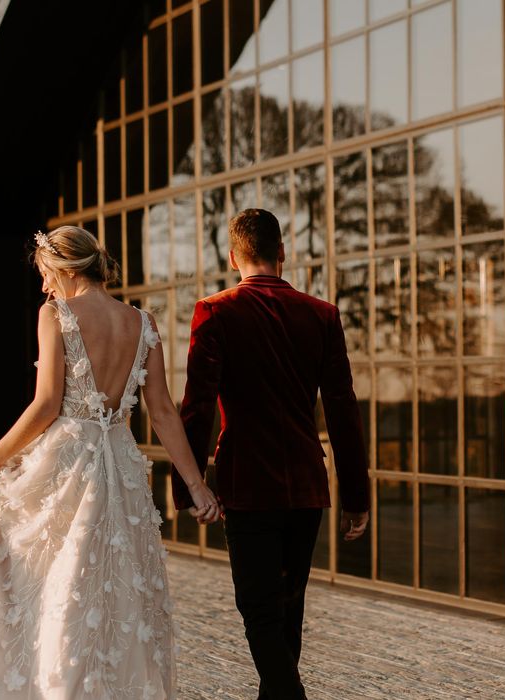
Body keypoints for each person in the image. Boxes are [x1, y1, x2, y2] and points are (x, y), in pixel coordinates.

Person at [0, 225, 219, 700]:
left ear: (68, 268)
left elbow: (47, 404)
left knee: (51, 586)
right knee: (113, 591)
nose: (45, 286)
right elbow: (164, 413)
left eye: (48, 274)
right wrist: (197, 485)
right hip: (121, 467)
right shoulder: (143, 323)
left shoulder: (56, 314)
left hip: (67, 467)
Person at [172, 208, 371, 700]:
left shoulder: (215, 311)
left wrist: (187, 487)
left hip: (248, 483)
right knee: (286, 613)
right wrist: (358, 496)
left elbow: (197, 407)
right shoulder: (322, 315)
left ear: (233, 257)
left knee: (261, 614)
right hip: (306, 485)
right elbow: (343, 410)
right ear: (283, 253)